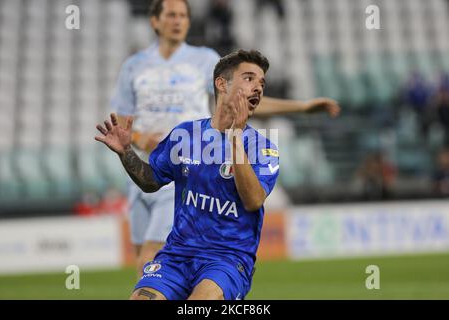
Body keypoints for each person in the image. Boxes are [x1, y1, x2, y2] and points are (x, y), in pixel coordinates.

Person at [111, 0, 340, 277]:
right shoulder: (133, 66)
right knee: (145, 262)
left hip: (193, 163)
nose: (179, 21)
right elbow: (123, 121)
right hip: (150, 163)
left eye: (184, 15)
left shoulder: (205, 59)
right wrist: (137, 138)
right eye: (171, 15)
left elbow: (240, 100)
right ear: (155, 22)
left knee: (151, 257)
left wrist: (301, 107)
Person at [98, 49, 280, 300]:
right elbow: (151, 181)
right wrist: (126, 153)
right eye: (249, 78)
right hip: (177, 256)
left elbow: (253, 200)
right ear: (221, 84)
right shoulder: (186, 135)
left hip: (226, 260)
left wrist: (235, 136)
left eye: (261, 83)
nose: (258, 88)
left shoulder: (263, 147)